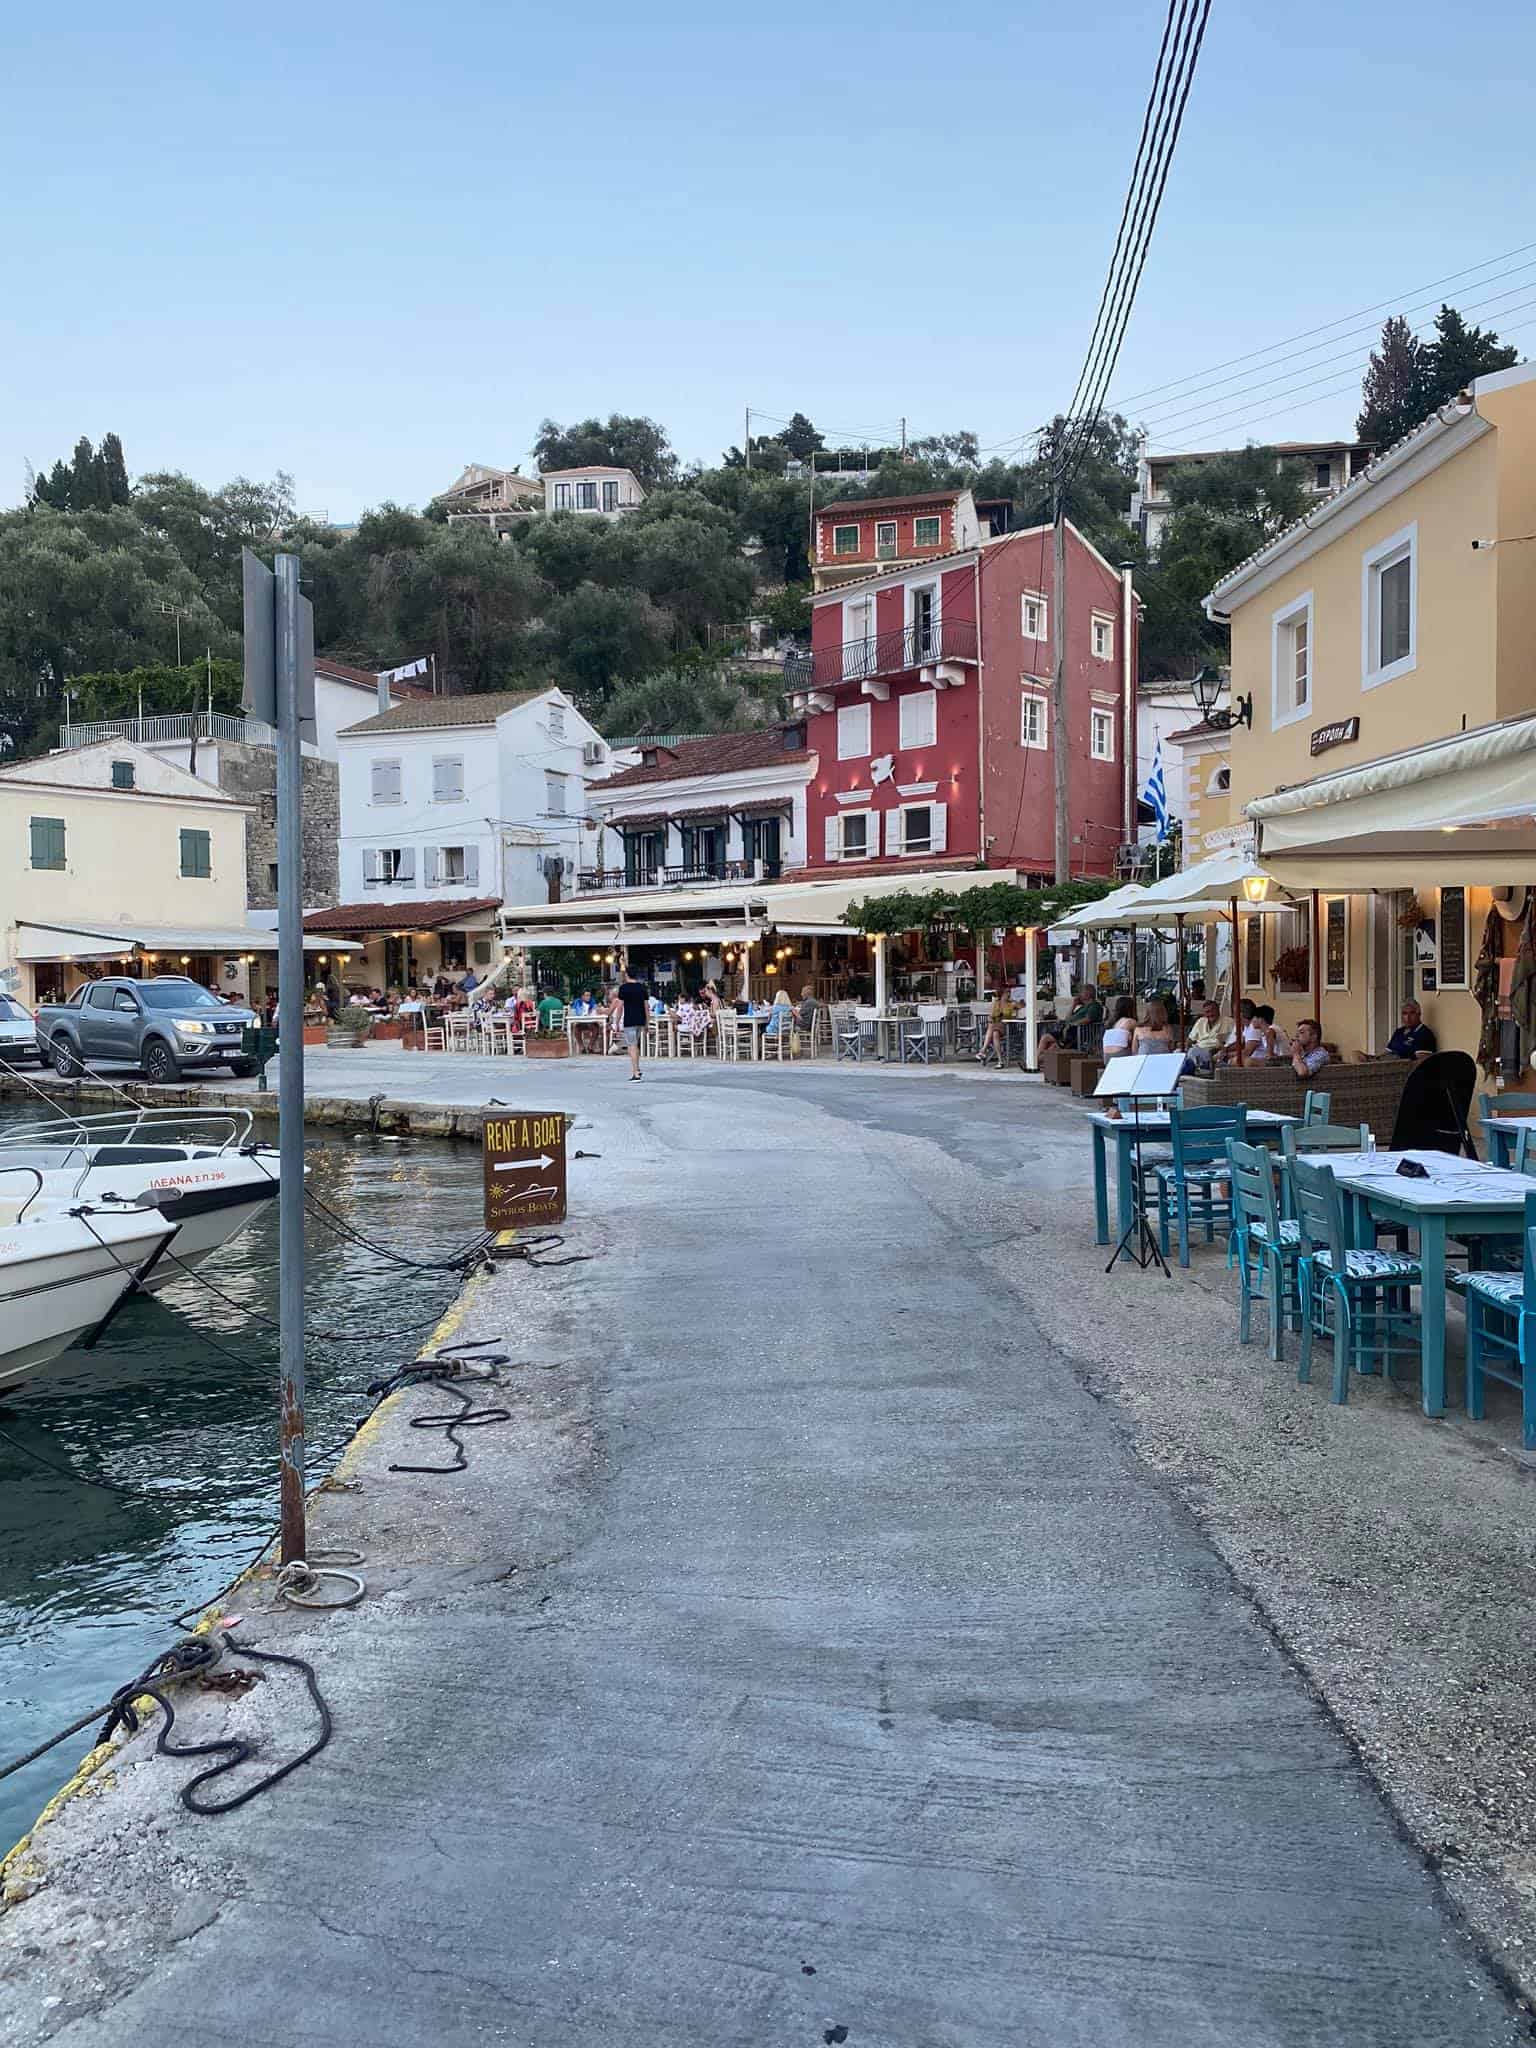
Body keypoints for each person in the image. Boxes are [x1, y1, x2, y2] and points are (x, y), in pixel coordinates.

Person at [1035, 984, 1104, 1060]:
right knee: (1045, 1037)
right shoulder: (1082, 1007)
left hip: (1078, 1034)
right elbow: (1067, 1018)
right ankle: (1036, 1061)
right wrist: (1073, 1005)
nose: (1079, 994)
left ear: (1088, 994)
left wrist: (1071, 1025)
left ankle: (1036, 1061)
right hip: (1068, 1031)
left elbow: (1088, 1019)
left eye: (1081, 992)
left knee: (1052, 1048)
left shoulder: (1095, 1006)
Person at [611, 962, 650, 1080]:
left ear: (627, 974)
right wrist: (647, 1023)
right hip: (640, 1020)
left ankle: (635, 1073)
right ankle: (637, 1068)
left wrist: (617, 1022)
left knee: (631, 1045)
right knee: (635, 1044)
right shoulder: (642, 988)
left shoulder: (624, 988)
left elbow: (620, 1007)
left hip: (629, 1020)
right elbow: (646, 1007)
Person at [1217, 1000, 1266, 1065]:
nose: (1233, 1016)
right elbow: (1240, 1043)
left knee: (1234, 1061)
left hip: (1258, 1061)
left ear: (1241, 1014)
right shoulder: (1247, 1026)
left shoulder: (1254, 1028)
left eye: (1234, 1013)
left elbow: (1247, 1052)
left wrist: (1226, 1055)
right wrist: (1225, 1049)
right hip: (1251, 1060)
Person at [1185, 1000, 1228, 1071]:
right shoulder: (1201, 1021)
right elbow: (1190, 1039)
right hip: (1198, 1049)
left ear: (1218, 1010)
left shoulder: (1228, 1022)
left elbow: (1231, 1041)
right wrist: (1186, 1049)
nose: (1210, 1014)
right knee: (1180, 1052)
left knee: (1192, 1055)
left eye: (1212, 1011)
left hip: (1213, 1051)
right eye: (1207, 1012)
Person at [977, 987, 1015, 1066]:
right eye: (1007, 992)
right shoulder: (996, 1003)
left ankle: (983, 1051)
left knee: (991, 1026)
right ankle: (1000, 1061)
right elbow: (991, 1015)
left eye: (1009, 992)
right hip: (997, 1027)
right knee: (995, 1034)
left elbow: (1013, 1015)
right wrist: (991, 1018)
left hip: (1007, 1027)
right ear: (1002, 994)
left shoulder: (1011, 1004)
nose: (1009, 994)